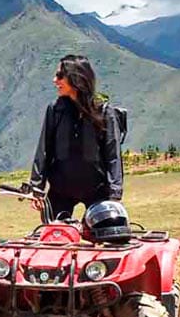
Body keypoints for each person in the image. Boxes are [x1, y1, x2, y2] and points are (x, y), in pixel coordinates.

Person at [28, 54, 123, 221]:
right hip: (60, 191)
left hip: (97, 191)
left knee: (105, 238)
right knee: (53, 240)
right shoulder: (55, 109)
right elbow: (44, 150)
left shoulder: (105, 112)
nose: (54, 80)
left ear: (75, 78)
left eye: (59, 75)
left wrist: (115, 194)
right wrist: (36, 187)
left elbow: (113, 155)